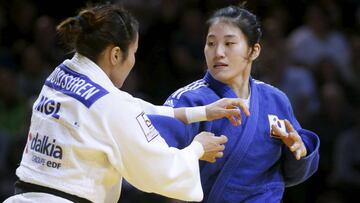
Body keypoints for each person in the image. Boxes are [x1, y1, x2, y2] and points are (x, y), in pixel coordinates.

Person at [4, 3, 250, 203]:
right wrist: (197, 148)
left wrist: (203, 112)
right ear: (115, 54)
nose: (133, 61)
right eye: (133, 52)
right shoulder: (111, 104)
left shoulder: (61, 74)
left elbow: (130, 107)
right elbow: (160, 171)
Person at [152, 5, 320, 202]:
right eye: (211, 43)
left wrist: (298, 151)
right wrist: (194, 152)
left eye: (229, 43)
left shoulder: (275, 99)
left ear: (253, 51)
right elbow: (154, 161)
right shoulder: (188, 100)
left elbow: (293, 174)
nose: (218, 52)